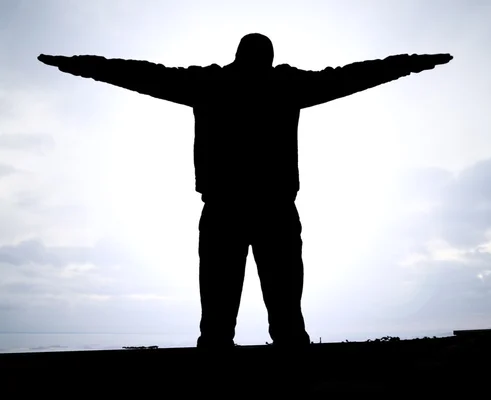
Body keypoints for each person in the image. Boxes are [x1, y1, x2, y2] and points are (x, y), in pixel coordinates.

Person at [38, 33, 453, 349]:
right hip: (248, 207)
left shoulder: (219, 84)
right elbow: (138, 74)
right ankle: (266, 359)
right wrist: (79, 64)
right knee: (255, 309)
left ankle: (252, 359)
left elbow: (138, 73)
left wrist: (411, 63)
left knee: (257, 309)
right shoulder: (267, 85)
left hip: (246, 208)